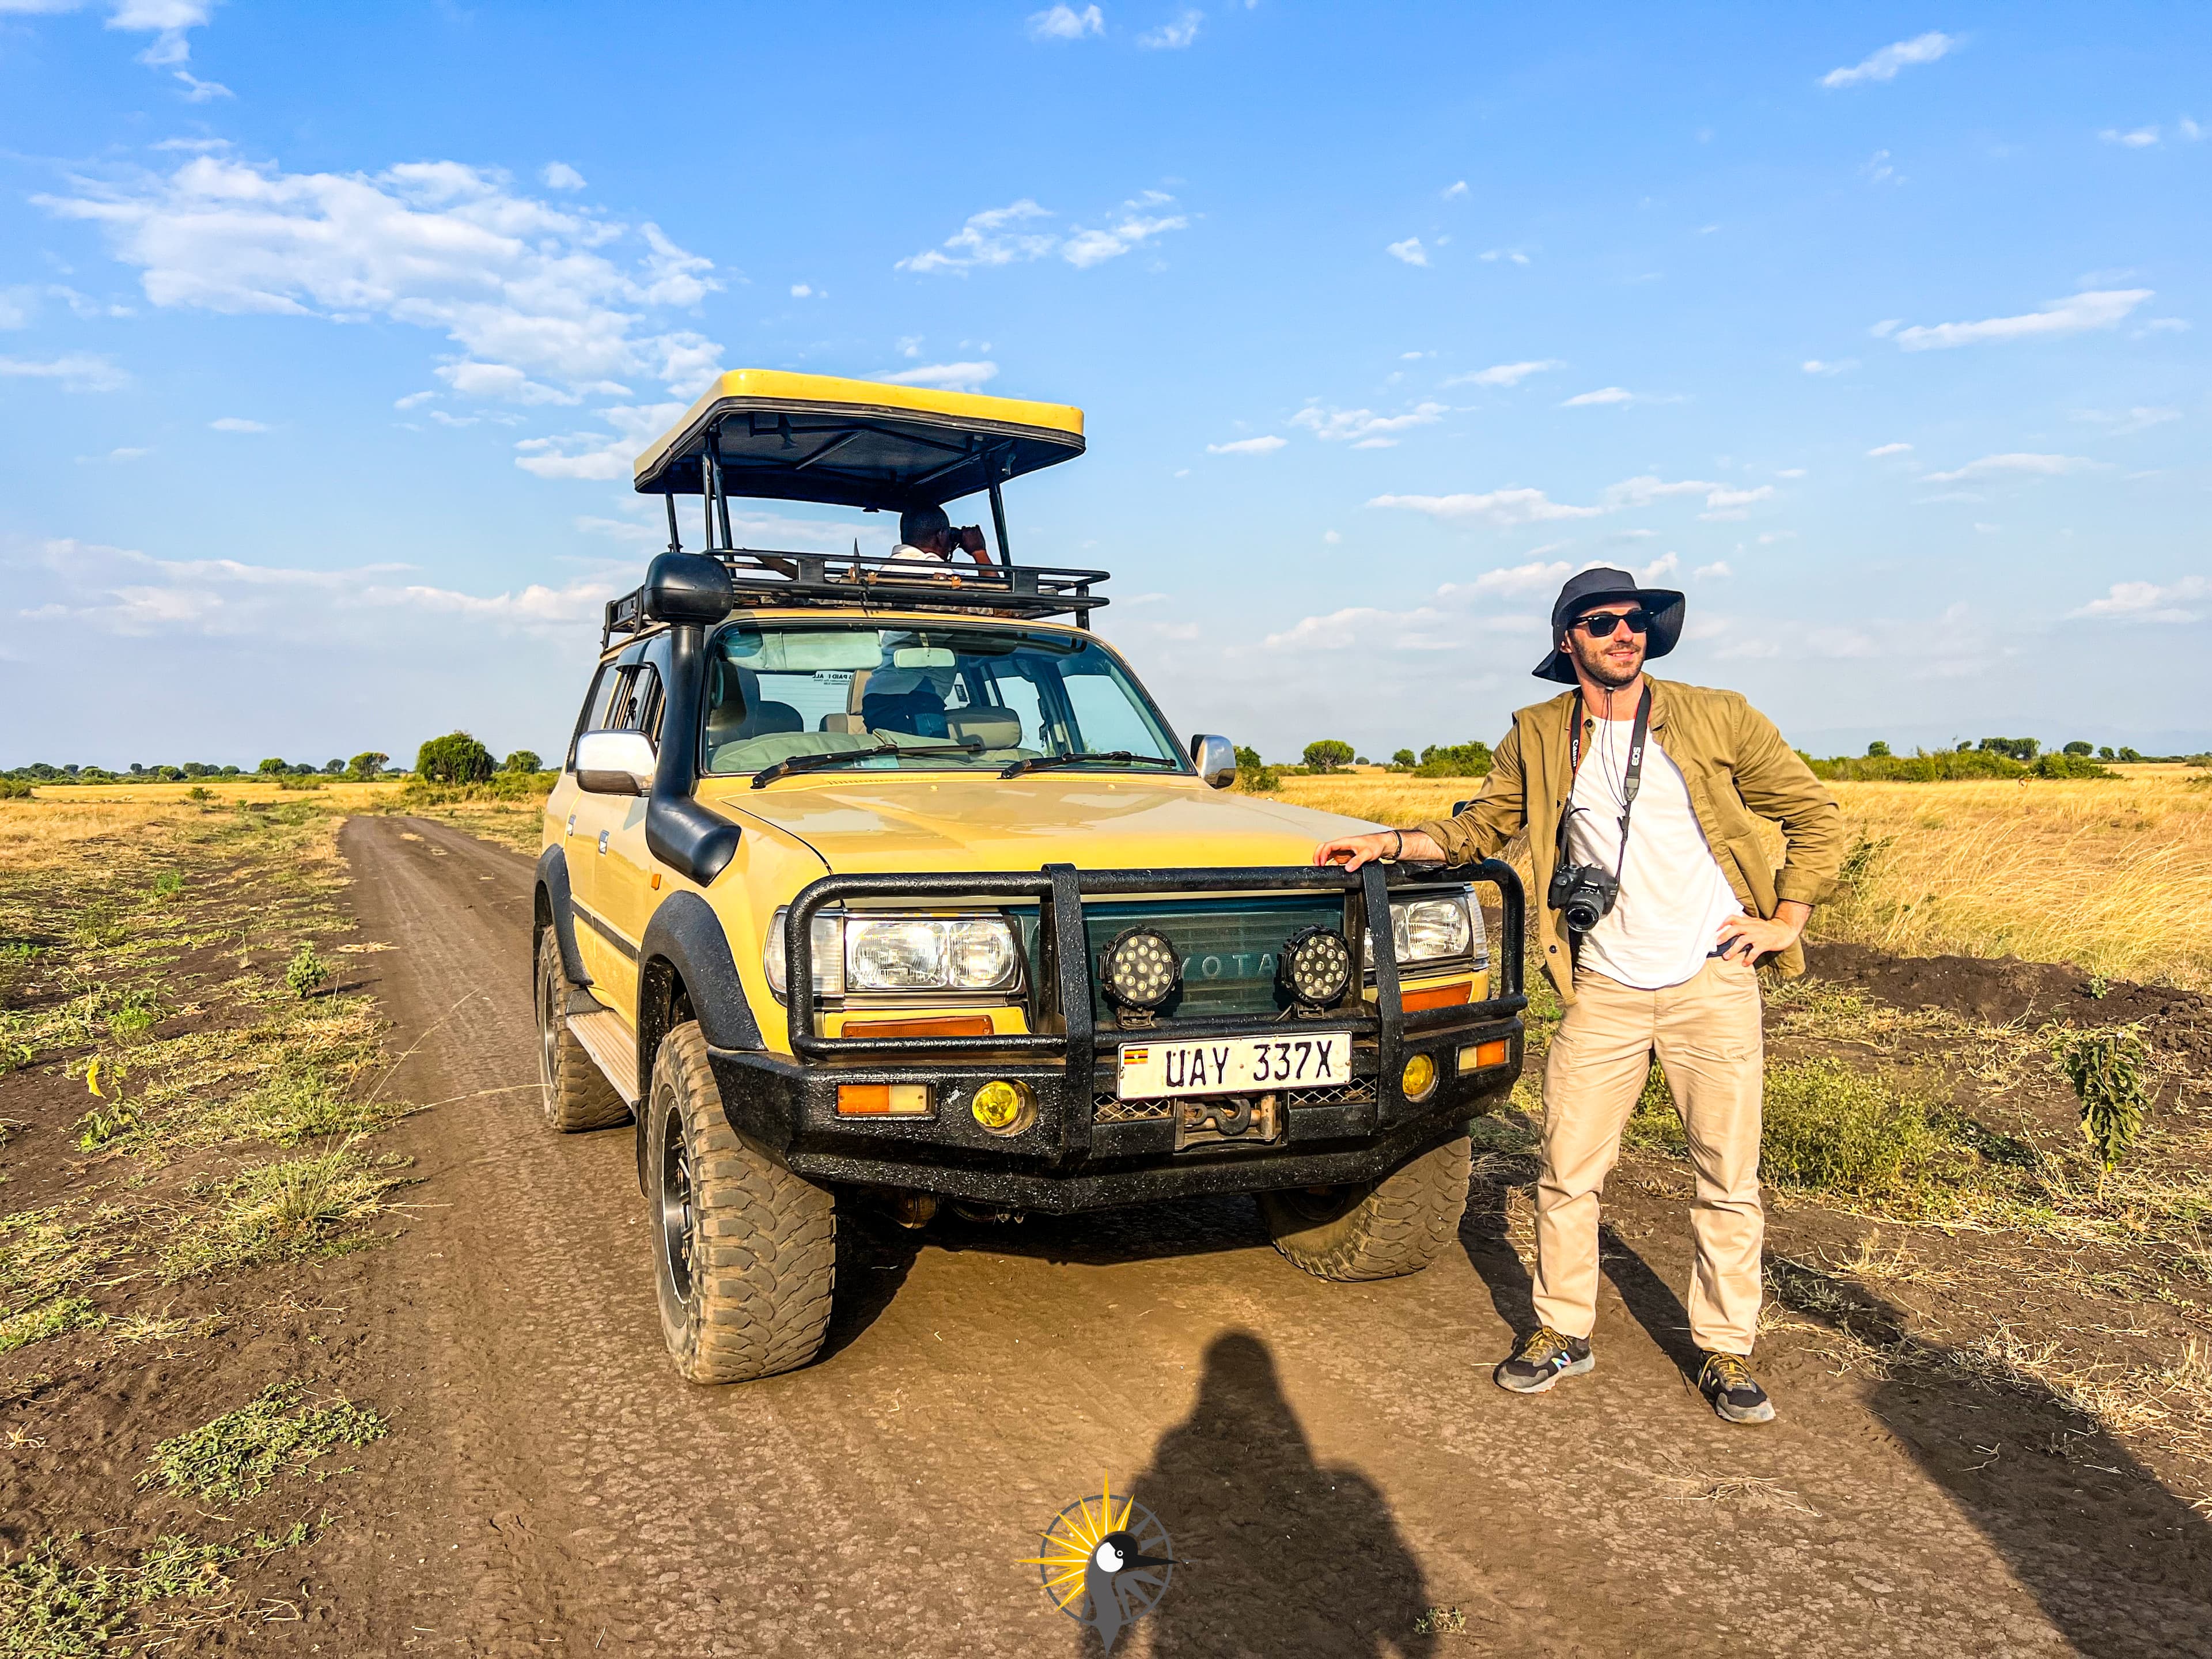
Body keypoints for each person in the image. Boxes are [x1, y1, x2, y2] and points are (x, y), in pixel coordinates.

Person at [1314, 567, 1842, 1425]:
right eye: (1601, 622)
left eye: (1635, 620)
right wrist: (1393, 841)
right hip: (1604, 984)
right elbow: (1481, 827)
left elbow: (1816, 815)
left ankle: (1725, 1349)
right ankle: (1561, 1330)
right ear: (1570, 643)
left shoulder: (1720, 716)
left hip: (1713, 978)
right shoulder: (1540, 733)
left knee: (1727, 1175)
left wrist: (1787, 917)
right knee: (1567, 1172)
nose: (1622, 633)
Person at [889, 505, 993, 566]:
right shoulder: (938, 573)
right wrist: (979, 552)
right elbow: (992, 597)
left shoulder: (888, 568)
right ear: (941, 535)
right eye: (948, 533)